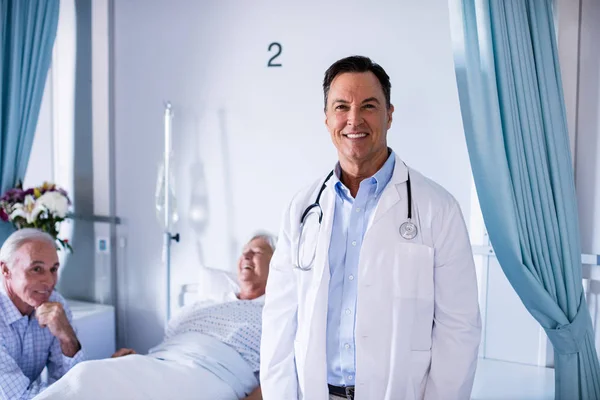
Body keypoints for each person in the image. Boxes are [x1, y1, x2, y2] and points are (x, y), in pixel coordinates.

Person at [260, 56, 482, 400]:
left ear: (389, 115)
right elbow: (279, 320)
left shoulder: (438, 209)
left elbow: (459, 328)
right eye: (341, 107)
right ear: (327, 118)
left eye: (368, 105)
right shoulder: (302, 209)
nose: (354, 119)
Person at [34, 233, 275, 400]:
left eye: (256, 252)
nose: (246, 256)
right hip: (161, 364)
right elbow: (167, 352)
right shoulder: (203, 304)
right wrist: (138, 358)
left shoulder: (274, 314)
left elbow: (281, 373)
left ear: (276, 265)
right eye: (244, 251)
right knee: (87, 374)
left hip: (209, 375)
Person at [0, 229, 84, 400]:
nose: (49, 281)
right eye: (36, 269)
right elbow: (19, 398)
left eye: (53, 269)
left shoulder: (54, 302)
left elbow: (72, 382)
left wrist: (68, 338)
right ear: (6, 270)